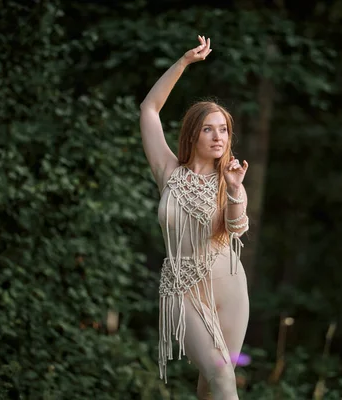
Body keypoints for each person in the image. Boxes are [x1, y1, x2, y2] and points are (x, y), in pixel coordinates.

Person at [139, 35, 250, 400]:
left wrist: (234, 190)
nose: (218, 136)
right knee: (223, 381)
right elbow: (150, 109)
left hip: (230, 289)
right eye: (208, 128)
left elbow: (237, 228)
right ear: (192, 133)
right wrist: (183, 63)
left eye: (224, 129)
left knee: (211, 386)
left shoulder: (230, 180)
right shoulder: (168, 171)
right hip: (182, 289)